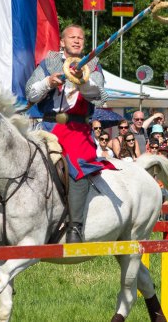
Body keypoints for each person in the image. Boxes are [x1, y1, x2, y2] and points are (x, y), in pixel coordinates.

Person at [25, 24, 113, 243]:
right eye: (72, 37)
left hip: (78, 130)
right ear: (62, 42)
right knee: (20, 161)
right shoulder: (49, 63)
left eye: (80, 38)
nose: (77, 40)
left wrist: (83, 79)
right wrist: (48, 82)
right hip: (47, 128)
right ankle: (5, 218)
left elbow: (100, 96)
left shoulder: (93, 65)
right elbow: (30, 92)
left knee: (78, 167)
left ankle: (75, 227)